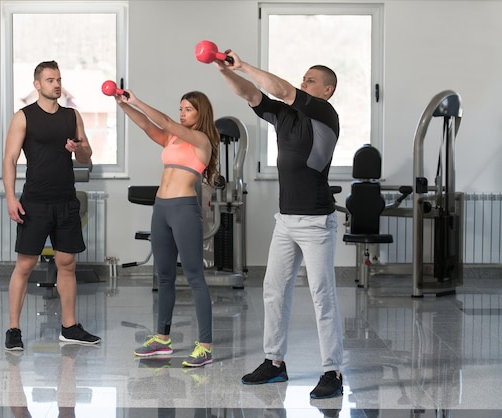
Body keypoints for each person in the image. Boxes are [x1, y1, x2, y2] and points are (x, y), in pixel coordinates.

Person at [212, 50, 344, 398]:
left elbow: (281, 89)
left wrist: (241, 63)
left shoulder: (325, 113)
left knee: (322, 295)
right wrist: (223, 68)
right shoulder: (287, 116)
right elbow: (251, 94)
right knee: (273, 290)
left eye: (311, 80)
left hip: (317, 222)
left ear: (327, 90)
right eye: (304, 78)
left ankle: (332, 371)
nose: (304, 83)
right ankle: (274, 363)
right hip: (285, 220)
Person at [112, 88, 220, 367]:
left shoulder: (201, 140)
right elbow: (148, 125)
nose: (182, 114)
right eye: (181, 108)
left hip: (184, 209)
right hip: (161, 208)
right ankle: (162, 339)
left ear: (201, 113)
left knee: (195, 276)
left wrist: (137, 99)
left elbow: (166, 123)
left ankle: (205, 347)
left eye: (188, 109)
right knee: (164, 276)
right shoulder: (173, 138)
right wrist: (123, 105)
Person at [2, 60, 100, 351]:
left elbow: (86, 157)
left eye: (58, 79)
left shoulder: (72, 116)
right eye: (49, 80)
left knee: (67, 264)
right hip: (35, 201)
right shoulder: (24, 117)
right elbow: (9, 159)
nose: (56, 84)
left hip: (65, 200)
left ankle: (69, 327)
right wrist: (10, 196)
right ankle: (14, 329)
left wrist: (78, 148)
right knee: (26, 265)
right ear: (37, 85)